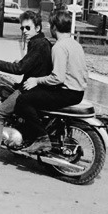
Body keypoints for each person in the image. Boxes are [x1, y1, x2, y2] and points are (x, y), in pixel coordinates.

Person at [0, 10, 52, 173]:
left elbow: (20, 68)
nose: (24, 32)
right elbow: (29, 65)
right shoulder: (42, 42)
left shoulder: (38, 44)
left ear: (37, 27)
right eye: (22, 29)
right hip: (36, 86)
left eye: (28, 28)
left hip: (31, 89)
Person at [16, 10, 89, 154]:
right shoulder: (75, 44)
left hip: (66, 92)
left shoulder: (59, 47)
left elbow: (58, 77)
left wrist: (37, 80)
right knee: (36, 97)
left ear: (54, 27)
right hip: (78, 92)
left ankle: (42, 139)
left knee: (23, 101)